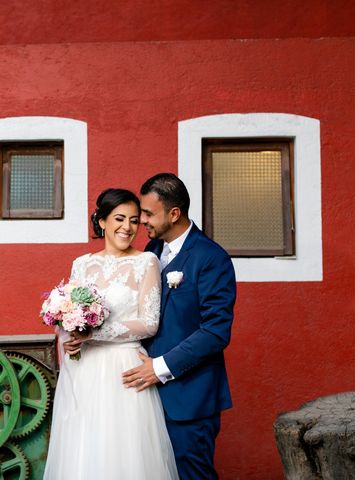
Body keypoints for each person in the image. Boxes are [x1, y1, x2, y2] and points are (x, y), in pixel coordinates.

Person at [43, 188, 178, 480]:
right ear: (102, 221)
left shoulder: (146, 263)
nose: (127, 227)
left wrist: (92, 334)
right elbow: (70, 316)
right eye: (119, 218)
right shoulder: (82, 264)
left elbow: (149, 322)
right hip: (85, 371)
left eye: (133, 220)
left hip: (124, 370)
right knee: (85, 447)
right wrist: (72, 341)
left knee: (125, 451)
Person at [122, 173, 236, 479]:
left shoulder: (211, 258)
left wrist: (159, 367)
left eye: (148, 214)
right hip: (144, 396)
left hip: (189, 397)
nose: (140, 220)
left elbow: (215, 331)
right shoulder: (151, 254)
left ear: (174, 213)